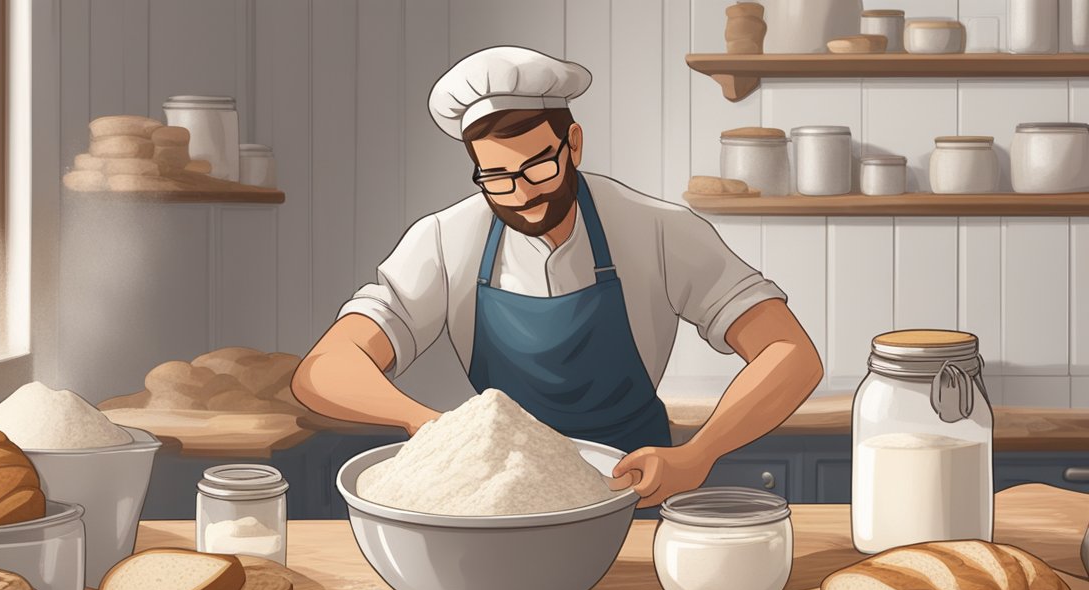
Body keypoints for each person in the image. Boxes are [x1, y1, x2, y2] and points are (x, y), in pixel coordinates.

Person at [292, 46, 822, 509]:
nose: (522, 194)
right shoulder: (445, 240)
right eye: (496, 178)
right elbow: (323, 369)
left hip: (634, 491)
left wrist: (697, 454)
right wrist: (426, 423)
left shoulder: (657, 229)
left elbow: (790, 352)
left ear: (574, 144)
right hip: (504, 499)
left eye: (538, 167)